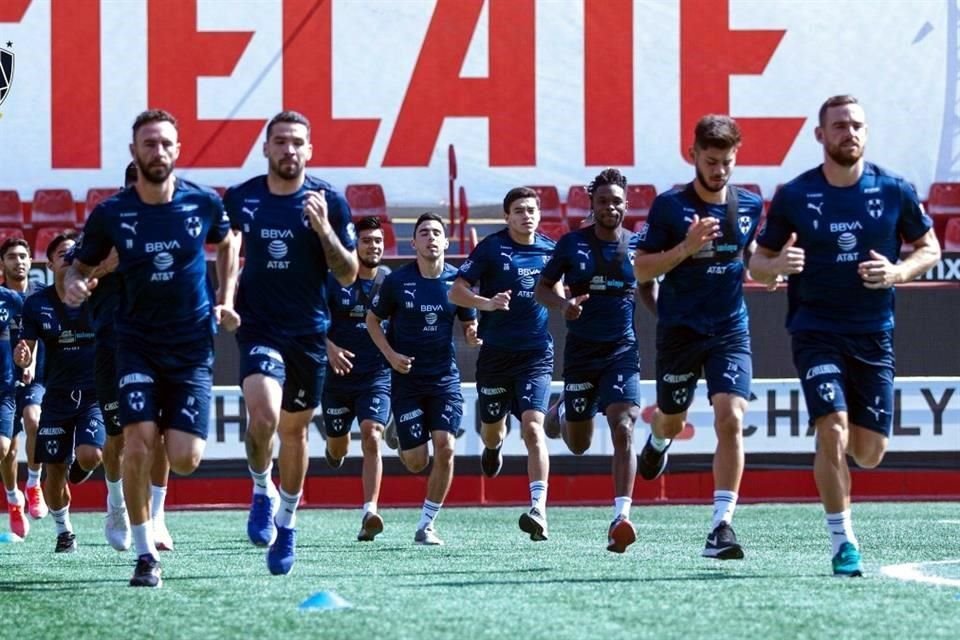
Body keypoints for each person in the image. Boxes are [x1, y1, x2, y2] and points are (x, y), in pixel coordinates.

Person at [749, 95, 940, 576]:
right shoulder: (796, 194)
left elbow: (929, 247)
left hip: (873, 333)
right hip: (815, 330)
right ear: (820, 135)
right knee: (830, 427)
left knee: (870, 453)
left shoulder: (894, 189)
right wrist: (777, 266)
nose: (848, 132)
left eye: (856, 125)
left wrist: (897, 272)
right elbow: (758, 261)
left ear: (866, 132)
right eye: (838, 126)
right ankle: (843, 542)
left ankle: (852, 458)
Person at [65, 109, 240, 588]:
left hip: (189, 348)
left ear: (177, 149)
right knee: (138, 441)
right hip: (134, 342)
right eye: (148, 143)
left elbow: (228, 243)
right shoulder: (111, 214)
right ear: (133, 151)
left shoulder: (201, 203)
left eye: (165, 143)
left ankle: (153, 512)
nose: (157, 151)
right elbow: (76, 268)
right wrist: (80, 282)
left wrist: (225, 298)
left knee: (184, 456)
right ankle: (145, 555)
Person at [223, 110, 357, 575]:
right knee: (261, 416)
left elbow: (348, 272)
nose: (288, 149)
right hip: (259, 327)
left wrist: (322, 229)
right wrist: (225, 297)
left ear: (309, 150)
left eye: (297, 142)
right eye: (279, 141)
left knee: (295, 432)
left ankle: (288, 520)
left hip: (307, 333)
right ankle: (262, 487)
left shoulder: (331, 202)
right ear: (265, 148)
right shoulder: (242, 198)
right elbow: (228, 249)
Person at [632, 115, 764, 559]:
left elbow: (749, 256)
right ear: (692, 155)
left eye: (727, 161)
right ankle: (657, 441)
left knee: (731, 417)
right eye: (711, 161)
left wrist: (771, 270)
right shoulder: (669, 207)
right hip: (681, 332)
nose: (719, 170)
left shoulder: (749, 204)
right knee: (671, 418)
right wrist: (686, 248)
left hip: (730, 328)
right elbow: (641, 270)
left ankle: (721, 525)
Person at [535, 168, 655, 554]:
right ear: (593, 204)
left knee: (624, 426)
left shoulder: (637, 247)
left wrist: (667, 313)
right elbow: (542, 288)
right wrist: (563, 304)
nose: (610, 207)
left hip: (622, 352)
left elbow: (651, 285)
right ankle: (566, 407)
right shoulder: (572, 245)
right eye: (603, 201)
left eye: (617, 201)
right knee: (579, 444)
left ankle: (622, 516)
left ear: (626, 205)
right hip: (582, 354)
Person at [449, 187, 558, 541]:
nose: (526, 215)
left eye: (531, 210)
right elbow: (456, 290)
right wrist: (486, 303)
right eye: (519, 210)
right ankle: (493, 447)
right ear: (507, 216)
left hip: (535, 354)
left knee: (533, 428)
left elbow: (566, 288)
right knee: (493, 429)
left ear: (539, 215)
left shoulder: (550, 250)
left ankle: (538, 510)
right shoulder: (492, 248)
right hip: (496, 355)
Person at [366, 213, 479, 545]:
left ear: (446, 242)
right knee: (417, 463)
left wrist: (473, 335)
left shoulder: (459, 282)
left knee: (446, 448)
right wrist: (390, 356)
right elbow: (373, 321)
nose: (431, 238)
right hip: (407, 381)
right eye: (424, 233)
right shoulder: (397, 282)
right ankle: (400, 433)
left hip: (444, 379)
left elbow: (468, 322)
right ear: (413, 243)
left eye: (437, 233)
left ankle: (426, 524)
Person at [92, 162, 176, 553]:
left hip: (161, 343)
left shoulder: (170, 228)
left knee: (159, 433)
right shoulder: (106, 224)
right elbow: (74, 276)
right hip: (114, 344)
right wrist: (112, 261)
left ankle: (157, 516)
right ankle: (116, 506)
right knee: (117, 437)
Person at [13, 233, 105, 553]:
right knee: (53, 473)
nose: (69, 257)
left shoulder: (98, 294)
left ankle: (82, 462)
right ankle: (64, 531)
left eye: (74, 253)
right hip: (57, 395)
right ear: (50, 263)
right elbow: (27, 351)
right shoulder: (37, 303)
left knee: (91, 455)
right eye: (62, 253)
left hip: (94, 392)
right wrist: (22, 359)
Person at [322, 216, 392, 542]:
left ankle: (369, 511)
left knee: (372, 434)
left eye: (378, 241)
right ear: (354, 245)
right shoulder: (332, 281)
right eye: (367, 241)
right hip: (336, 379)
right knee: (338, 447)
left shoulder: (391, 282)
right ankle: (335, 450)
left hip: (376, 376)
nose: (373, 246)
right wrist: (329, 348)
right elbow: (310, 323)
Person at [0, 237, 47, 532]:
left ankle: (33, 483)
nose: (18, 261)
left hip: (34, 379)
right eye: (11, 257)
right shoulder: (2, 298)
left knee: (34, 419)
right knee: (7, 450)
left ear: (31, 261)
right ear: (2, 263)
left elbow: (40, 333)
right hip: (3, 384)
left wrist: (29, 363)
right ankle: (13, 498)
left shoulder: (42, 296)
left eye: (23, 256)